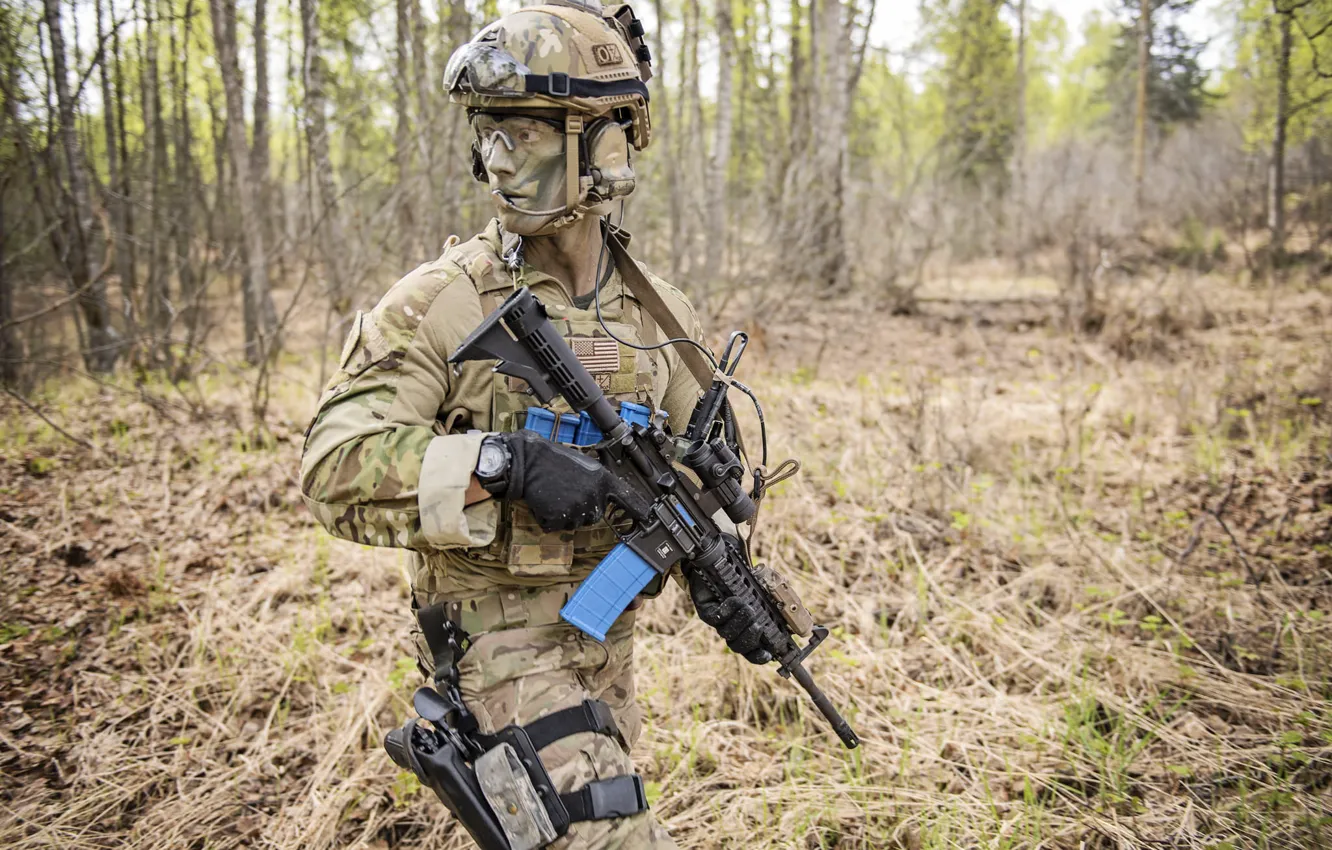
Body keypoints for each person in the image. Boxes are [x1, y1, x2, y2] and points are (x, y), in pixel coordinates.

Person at [299, 2, 768, 847]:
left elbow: (716, 477)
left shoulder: (661, 315)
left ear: (608, 142)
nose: (499, 158)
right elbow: (333, 465)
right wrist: (500, 461)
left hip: (603, 658)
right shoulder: (440, 304)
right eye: (491, 133)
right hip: (494, 657)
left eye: (527, 133)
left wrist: (714, 562)